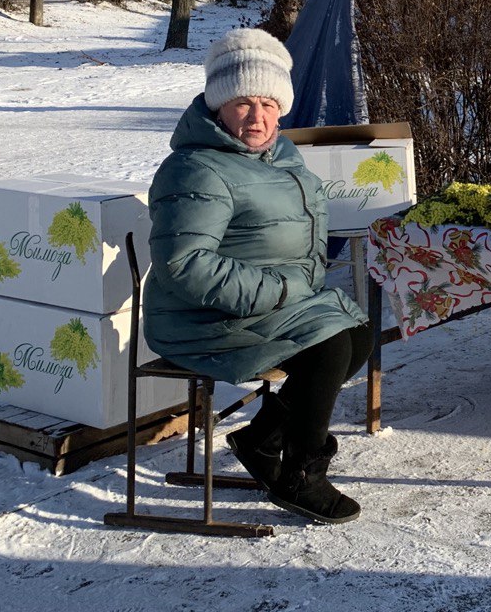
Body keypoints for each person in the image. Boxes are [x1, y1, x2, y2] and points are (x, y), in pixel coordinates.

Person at [145, 28, 372, 525]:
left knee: (357, 336)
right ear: (218, 105)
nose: (258, 117)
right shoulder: (195, 169)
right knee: (329, 347)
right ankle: (300, 473)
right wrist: (284, 290)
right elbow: (186, 266)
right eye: (244, 103)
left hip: (273, 303)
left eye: (269, 103)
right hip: (201, 317)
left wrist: (293, 289)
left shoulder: (279, 155)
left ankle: (262, 438)